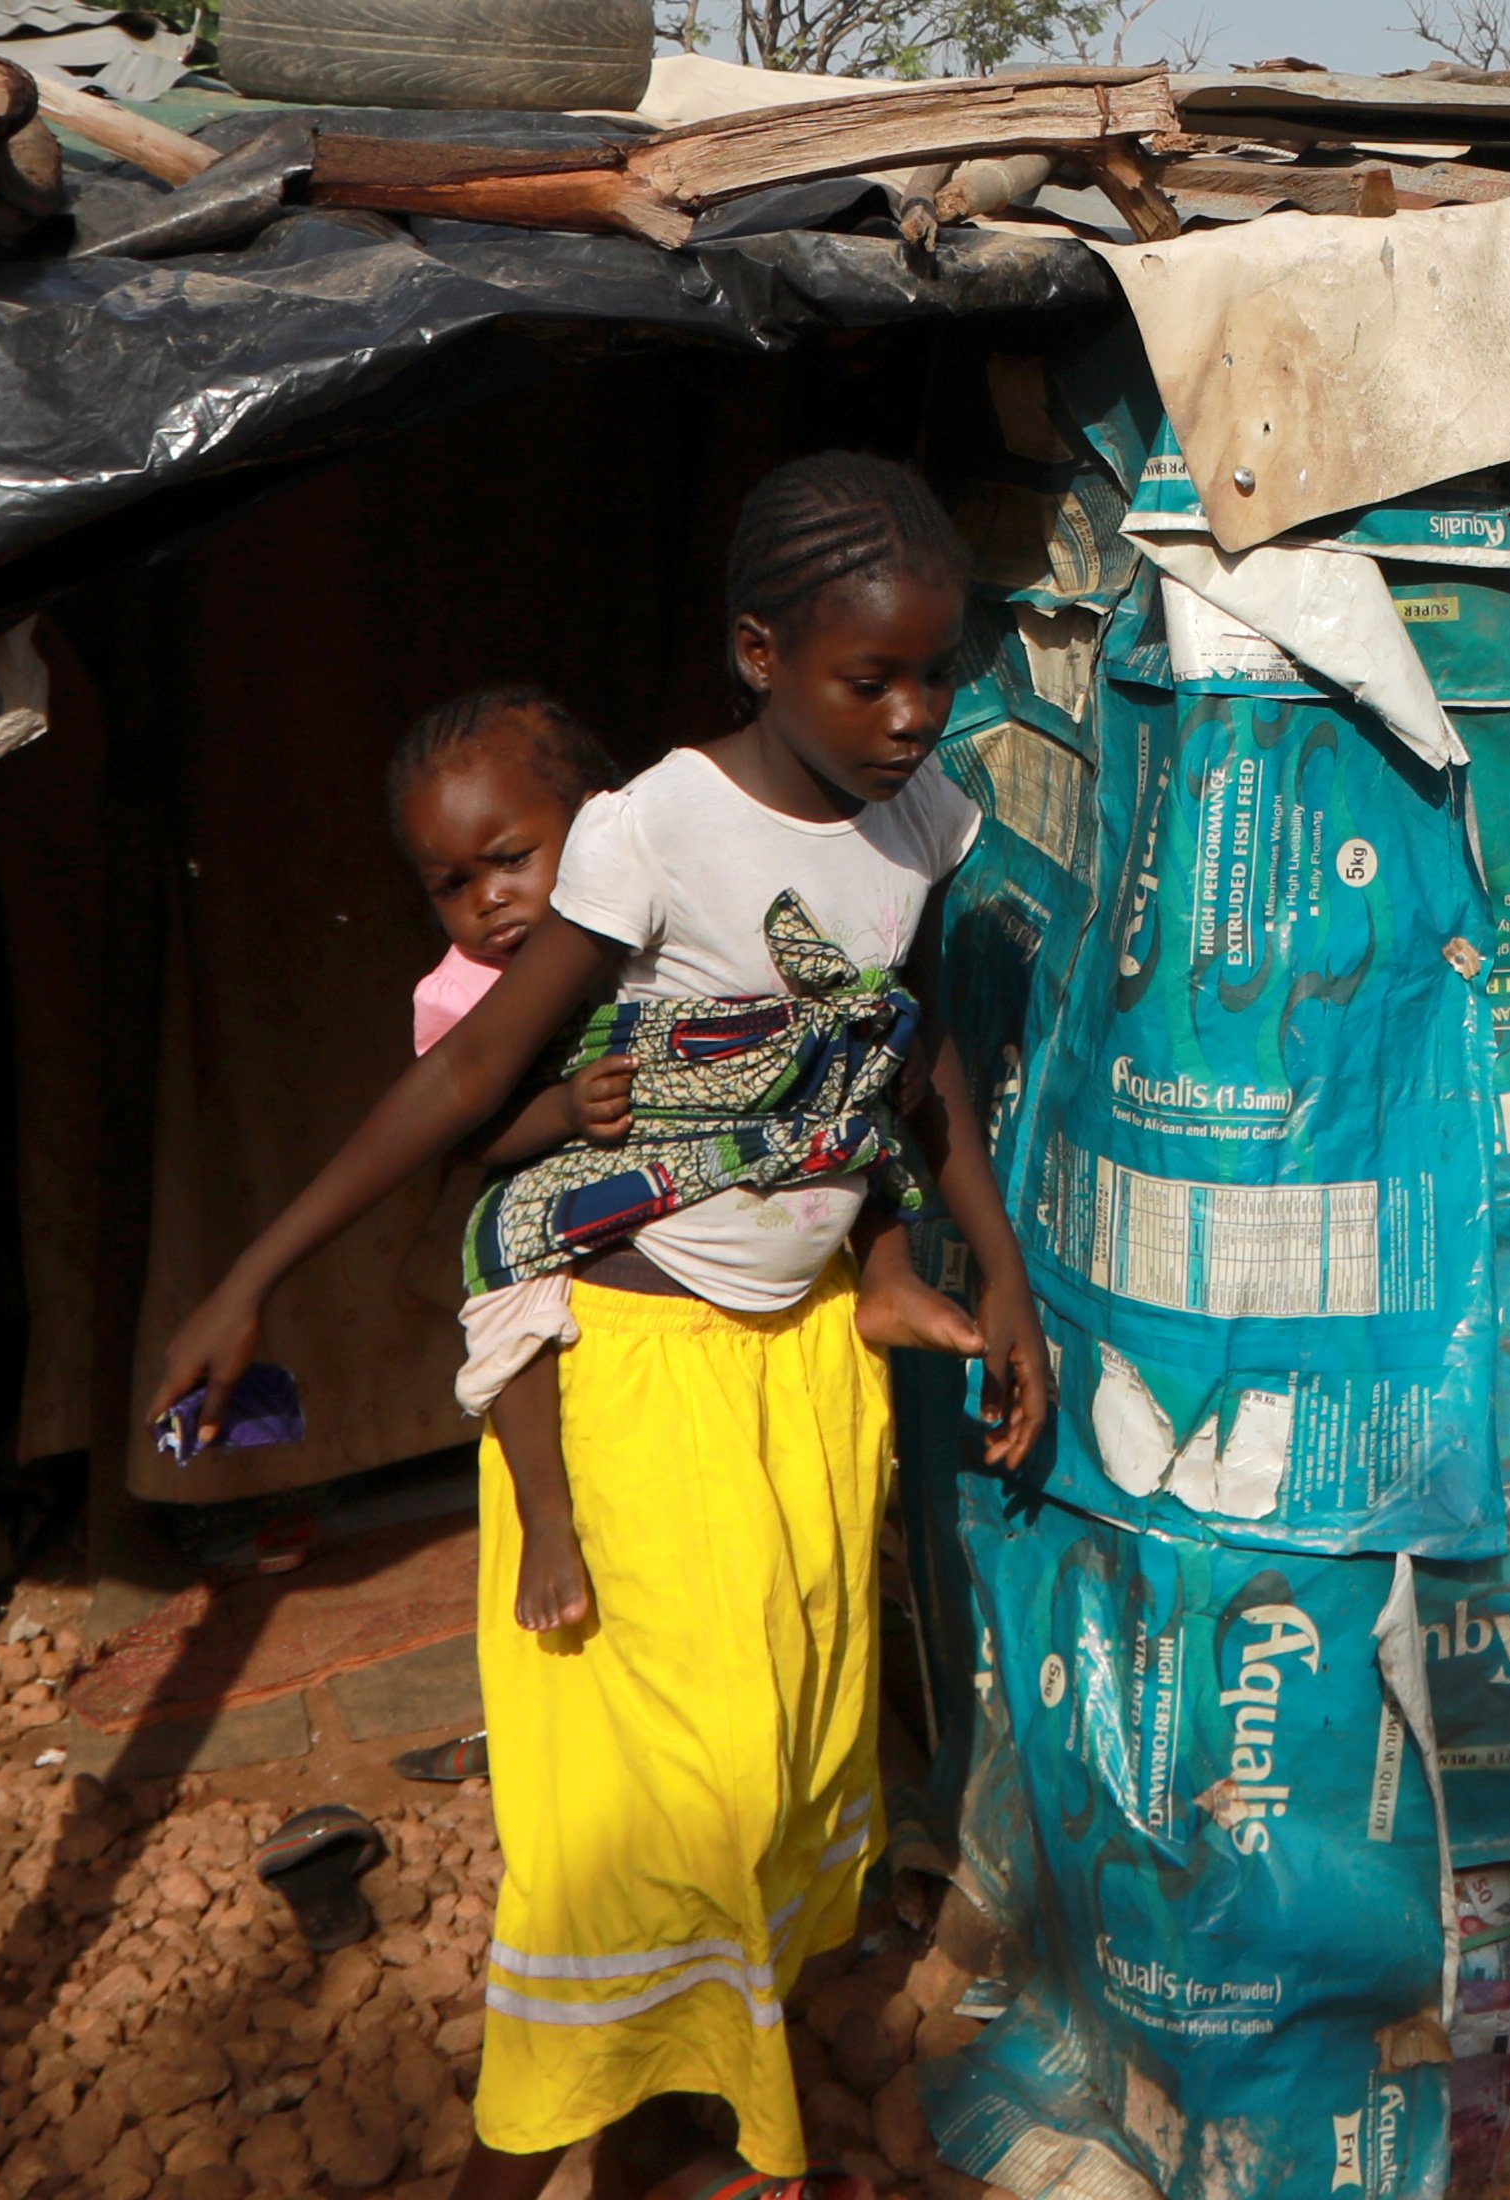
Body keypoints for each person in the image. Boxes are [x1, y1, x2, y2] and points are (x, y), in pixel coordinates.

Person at [153, 453, 1053, 2200]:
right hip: (632, 1382)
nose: (911, 713)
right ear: (758, 653)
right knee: (648, 1828)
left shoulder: (917, 814)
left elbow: (907, 1040)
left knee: (784, 1781)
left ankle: (692, 2134)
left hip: (799, 1376)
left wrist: (988, 1248)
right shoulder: (655, 826)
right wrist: (251, 1273)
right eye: (871, 679)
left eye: (936, 676)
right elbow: (485, 1064)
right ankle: (533, 2159)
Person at [381, 682, 644, 1637]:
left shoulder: (641, 925)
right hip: (529, 1184)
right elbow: (468, 1137)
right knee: (509, 1315)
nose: (488, 899)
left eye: (511, 861)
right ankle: (547, 1519)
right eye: (452, 885)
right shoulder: (455, 997)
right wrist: (562, 1111)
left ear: (594, 823)